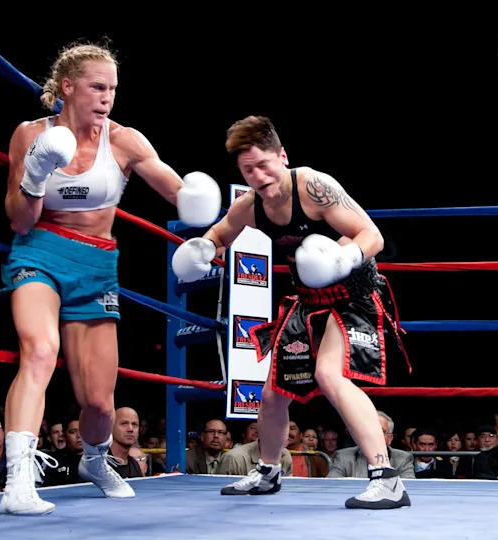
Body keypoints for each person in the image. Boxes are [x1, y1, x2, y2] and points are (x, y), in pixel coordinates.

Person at [0, 41, 221, 515]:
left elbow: (181, 194)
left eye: (113, 89)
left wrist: (211, 225)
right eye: (98, 87)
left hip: (97, 266)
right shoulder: (30, 134)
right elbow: (19, 219)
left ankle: (95, 460)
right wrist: (36, 175)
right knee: (40, 351)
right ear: (68, 86)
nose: (107, 98)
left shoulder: (124, 141)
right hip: (39, 252)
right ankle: (17, 481)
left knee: (99, 403)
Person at [172, 115, 410, 509]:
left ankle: (386, 478)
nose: (258, 176)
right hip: (308, 300)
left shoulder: (314, 187)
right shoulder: (250, 206)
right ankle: (268, 471)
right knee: (273, 394)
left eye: (264, 164)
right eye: (248, 170)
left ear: (282, 156)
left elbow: (373, 236)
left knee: (329, 375)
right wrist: (202, 249)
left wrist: (340, 258)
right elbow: (220, 233)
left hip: (353, 293)